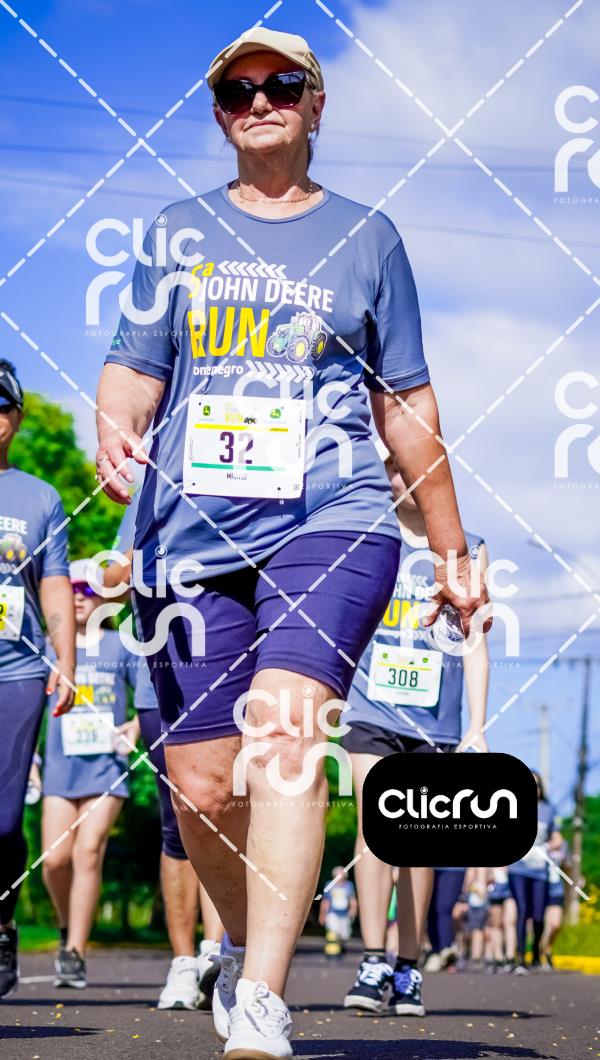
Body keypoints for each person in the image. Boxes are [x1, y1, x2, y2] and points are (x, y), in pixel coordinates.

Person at [95, 26, 489, 1058]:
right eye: (238, 90)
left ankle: (265, 999)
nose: (259, 100)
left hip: (335, 517)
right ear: (219, 113)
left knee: (285, 732)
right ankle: (240, 945)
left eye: (281, 84)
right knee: (200, 785)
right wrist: (116, 425)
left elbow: (406, 406)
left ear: (317, 103)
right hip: (190, 536)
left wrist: (451, 552)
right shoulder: (175, 233)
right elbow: (133, 368)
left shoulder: (369, 239)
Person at [342, 447, 489, 1015]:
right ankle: (371, 959)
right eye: (392, 467)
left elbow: (474, 640)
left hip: (434, 719)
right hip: (370, 708)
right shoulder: (367, 536)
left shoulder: (466, 548)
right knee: (373, 827)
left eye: (411, 466)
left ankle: (408, 966)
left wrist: (476, 726)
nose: (401, 476)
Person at [105, 493, 224, 1010]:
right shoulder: (149, 497)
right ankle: (182, 963)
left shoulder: (241, 485)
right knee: (178, 821)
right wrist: (133, 562)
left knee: (222, 815)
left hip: (229, 678)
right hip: (160, 685)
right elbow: (109, 584)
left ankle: (218, 954)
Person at [0, 359, 75, 998]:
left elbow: (53, 585)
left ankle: (2, 922)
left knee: (2, 821)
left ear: (17, 418)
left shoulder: (40, 498)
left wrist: (65, 659)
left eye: (2, 406)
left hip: (18, 671)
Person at [42, 559, 139, 988]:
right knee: (55, 860)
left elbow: (151, 697)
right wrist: (29, 763)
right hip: (59, 768)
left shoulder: (120, 645)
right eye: (72, 589)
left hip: (107, 768)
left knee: (88, 852)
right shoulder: (49, 649)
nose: (79, 597)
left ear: (103, 597)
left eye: (88, 589)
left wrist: (134, 727)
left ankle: (76, 952)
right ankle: (67, 928)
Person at [508, 770, 562, 974]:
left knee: (538, 915)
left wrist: (549, 846)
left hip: (540, 870)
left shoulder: (549, 810)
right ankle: (521, 958)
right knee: (522, 910)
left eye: (537, 785)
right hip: (518, 869)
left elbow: (557, 837)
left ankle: (537, 953)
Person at [541, 838, 568, 969]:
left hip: (557, 888)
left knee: (556, 924)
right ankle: (543, 956)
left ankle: (547, 947)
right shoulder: (539, 843)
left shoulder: (563, 844)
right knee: (545, 926)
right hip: (541, 886)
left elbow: (567, 865)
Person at [319, 867, 357, 956]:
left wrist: (353, 909)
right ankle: (332, 950)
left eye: (341, 874)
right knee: (333, 930)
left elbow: (352, 899)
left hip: (344, 913)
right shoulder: (329, 885)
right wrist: (322, 914)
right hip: (332, 912)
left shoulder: (349, 885)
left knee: (344, 935)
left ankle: (341, 946)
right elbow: (325, 901)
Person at [485, 866, 517, 972]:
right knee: (496, 924)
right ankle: (498, 958)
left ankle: (510, 957)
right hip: (495, 886)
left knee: (510, 922)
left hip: (510, 885)